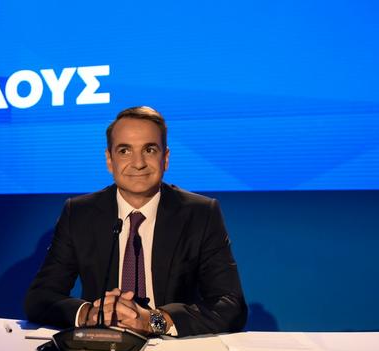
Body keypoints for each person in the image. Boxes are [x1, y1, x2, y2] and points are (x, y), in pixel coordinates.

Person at [24, 106, 247, 337]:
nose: (138, 163)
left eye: (149, 149)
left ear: (166, 158)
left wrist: (155, 321)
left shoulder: (200, 213)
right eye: (124, 151)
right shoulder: (79, 213)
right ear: (109, 160)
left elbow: (231, 305)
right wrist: (88, 314)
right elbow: (40, 297)